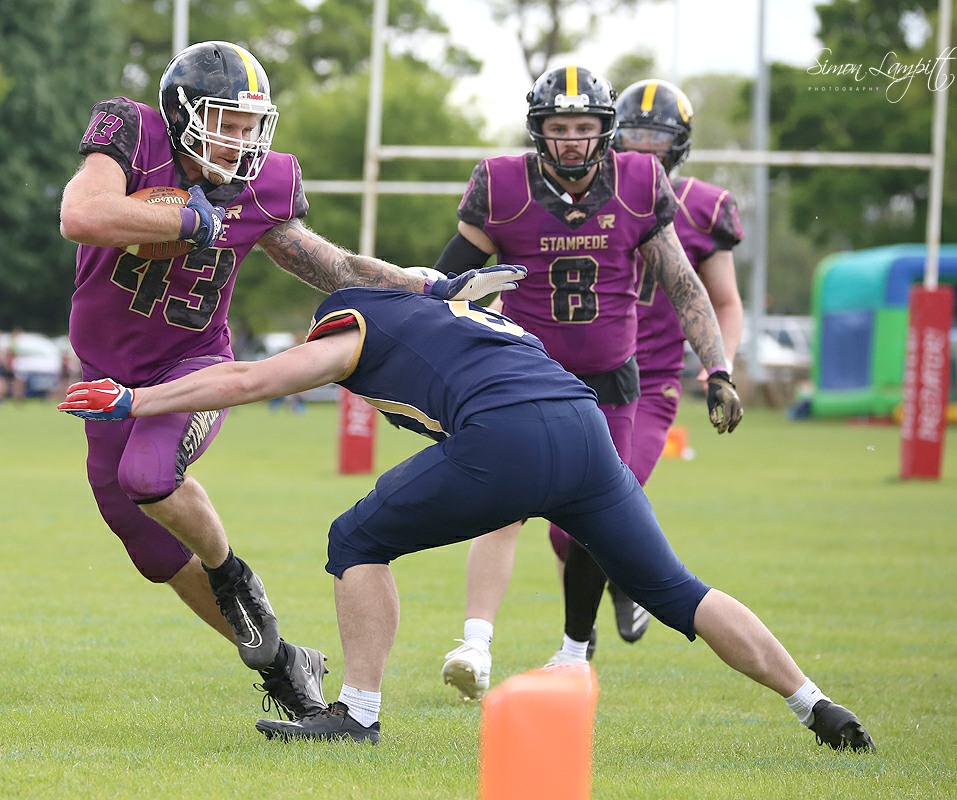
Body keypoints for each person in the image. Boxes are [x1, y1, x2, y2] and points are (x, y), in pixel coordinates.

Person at [57, 286, 876, 755]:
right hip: (583, 430)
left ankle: (358, 713)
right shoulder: (459, 314)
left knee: (355, 539)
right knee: (676, 589)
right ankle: (814, 704)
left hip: (505, 437)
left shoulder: (351, 328)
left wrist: (137, 400)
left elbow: (247, 380)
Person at [58, 40, 525, 721]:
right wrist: (185, 219)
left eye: (251, 126)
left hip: (192, 363)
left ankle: (232, 575)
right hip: (103, 369)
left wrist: (424, 285)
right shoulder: (130, 130)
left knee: (148, 476)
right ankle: (282, 664)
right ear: (182, 115)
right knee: (146, 545)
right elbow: (81, 215)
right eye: (226, 122)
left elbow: (331, 266)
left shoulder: (264, 184)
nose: (241, 140)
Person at [431, 65, 741, 699]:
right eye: (559, 127)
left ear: (604, 130)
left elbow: (685, 286)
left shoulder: (640, 183)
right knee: (501, 507)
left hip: (612, 382)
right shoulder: (501, 185)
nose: (571, 140)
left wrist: (718, 369)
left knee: (590, 523)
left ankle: (575, 649)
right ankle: (475, 645)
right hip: (526, 375)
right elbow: (446, 284)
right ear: (537, 130)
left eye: (583, 127)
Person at [555, 77, 748, 664]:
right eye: (634, 134)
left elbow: (724, 301)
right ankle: (622, 579)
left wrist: (720, 365)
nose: (642, 148)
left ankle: (579, 638)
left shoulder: (704, 207)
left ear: (679, 143)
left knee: (601, 501)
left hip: (652, 378)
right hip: (579, 375)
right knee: (564, 529)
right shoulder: (581, 198)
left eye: (656, 137)